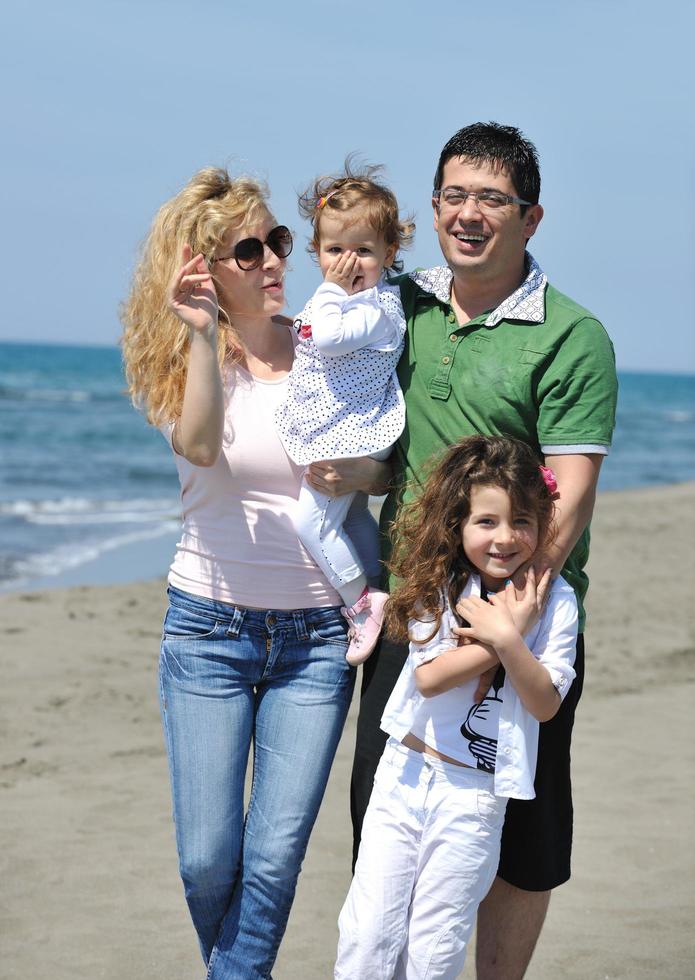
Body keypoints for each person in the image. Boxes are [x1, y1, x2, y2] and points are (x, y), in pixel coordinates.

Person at [343, 122, 618, 979]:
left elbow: (565, 499)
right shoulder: (403, 305)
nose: (470, 214)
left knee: (520, 838)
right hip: (411, 613)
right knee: (385, 820)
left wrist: (504, 627)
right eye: (455, 196)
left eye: (492, 199)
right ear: (430, 211)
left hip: (523, 622)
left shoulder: (571, 337)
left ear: (530, 218)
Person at [120, 167, 365, 979]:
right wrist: (197, 334)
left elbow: (382, 458)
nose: (272, 261)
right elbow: (199, 447)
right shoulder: (179, 362)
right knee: (207, 862)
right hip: (208, 633)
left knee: (271, 861)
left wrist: (357, 475)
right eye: (248, 249)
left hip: (317, 641)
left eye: (278, 242)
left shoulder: (325, 348)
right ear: (203, 268)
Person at [335, 435, 578, 978]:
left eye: (521, 522)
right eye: (486, 521)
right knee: (367, 934)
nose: (505, 537)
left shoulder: (555, 600)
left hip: (476, 794)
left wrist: (510, 641)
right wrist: (504, 635)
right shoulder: (440, 581)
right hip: (404, 773)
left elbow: (543, 703)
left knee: (435, 945)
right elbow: (428, 678)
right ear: (460, 523)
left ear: (542, 525)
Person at [276, 163, 414, 665]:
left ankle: (362, 602)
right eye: (335, 251)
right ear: (317, 252)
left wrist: (331, 291)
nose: (347, 263)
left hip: (354, 431)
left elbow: (329, 339)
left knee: (310, 524)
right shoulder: (344, 301)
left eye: (364, 251)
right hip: (341, 421)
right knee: (350, 513)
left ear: (389, 254)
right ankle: (374, 578)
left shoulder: (374, 309)